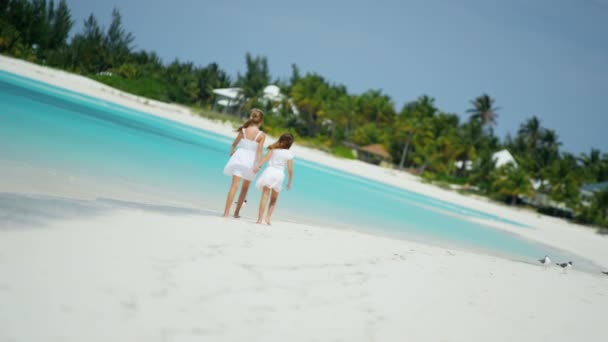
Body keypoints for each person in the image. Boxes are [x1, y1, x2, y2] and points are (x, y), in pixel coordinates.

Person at [222, 109, 265, 218]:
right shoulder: (261, 135)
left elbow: (234, 144)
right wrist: (259, 165)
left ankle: (226, 213)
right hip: (250, 162)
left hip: (239, 158)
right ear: (261, 121)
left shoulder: (244, 130)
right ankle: (236, 213)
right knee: (244, 189)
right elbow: (259, 152)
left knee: (234, 186)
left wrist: (232, 151)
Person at [253, 133, 294, 225]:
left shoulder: (273, 148)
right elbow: (290, 170)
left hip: (269, 172)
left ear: (281, 139)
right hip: (279, 174)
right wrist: (289, 182)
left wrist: (258, 166)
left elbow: (266, 158)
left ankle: (259, 220)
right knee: (274, 199)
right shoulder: (289, 154)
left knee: (264, 196)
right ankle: (267, 218)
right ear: (290, 143)